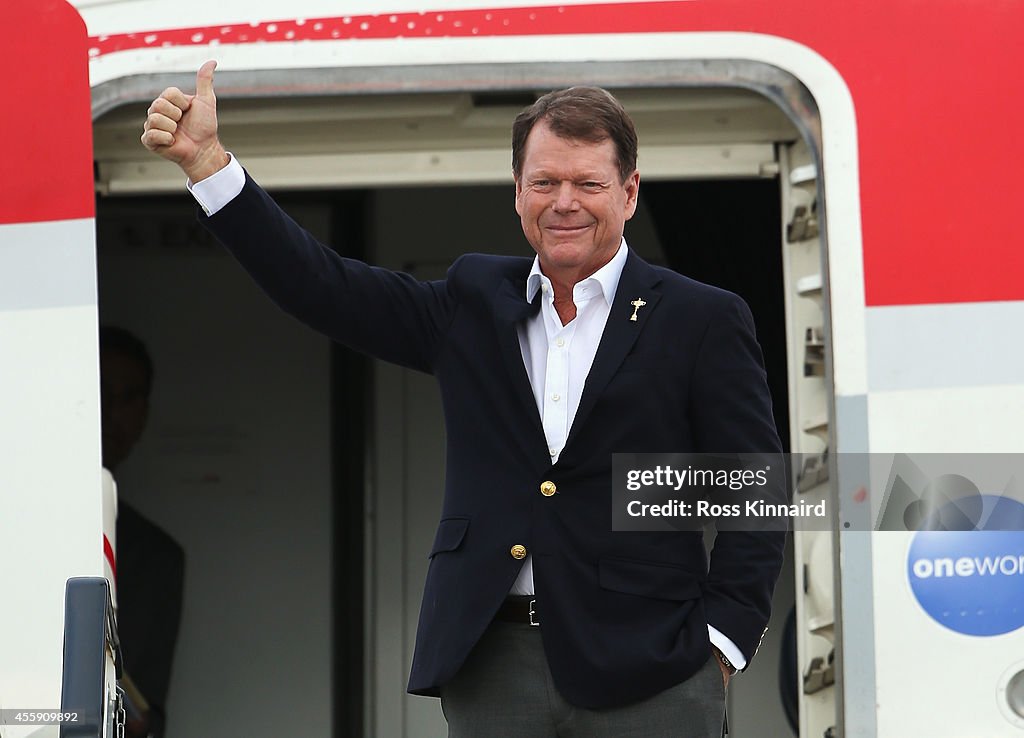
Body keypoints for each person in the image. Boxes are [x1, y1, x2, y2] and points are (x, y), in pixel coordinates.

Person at [141, 61, 784, 737]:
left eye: (587, 183)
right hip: (494, 664)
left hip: (654, 671)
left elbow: (754, 492)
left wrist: (722, 645)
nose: (564, 201)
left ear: (628, 193)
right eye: (545, 182)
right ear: (517, 193)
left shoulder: (700, 318)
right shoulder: (474, 300)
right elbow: (321, 285)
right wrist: (207, 163)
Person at [100, 326, 185, 738]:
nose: (108, 409)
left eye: (127, 398)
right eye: (98, 390)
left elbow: (149, 714)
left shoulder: (157, 557)